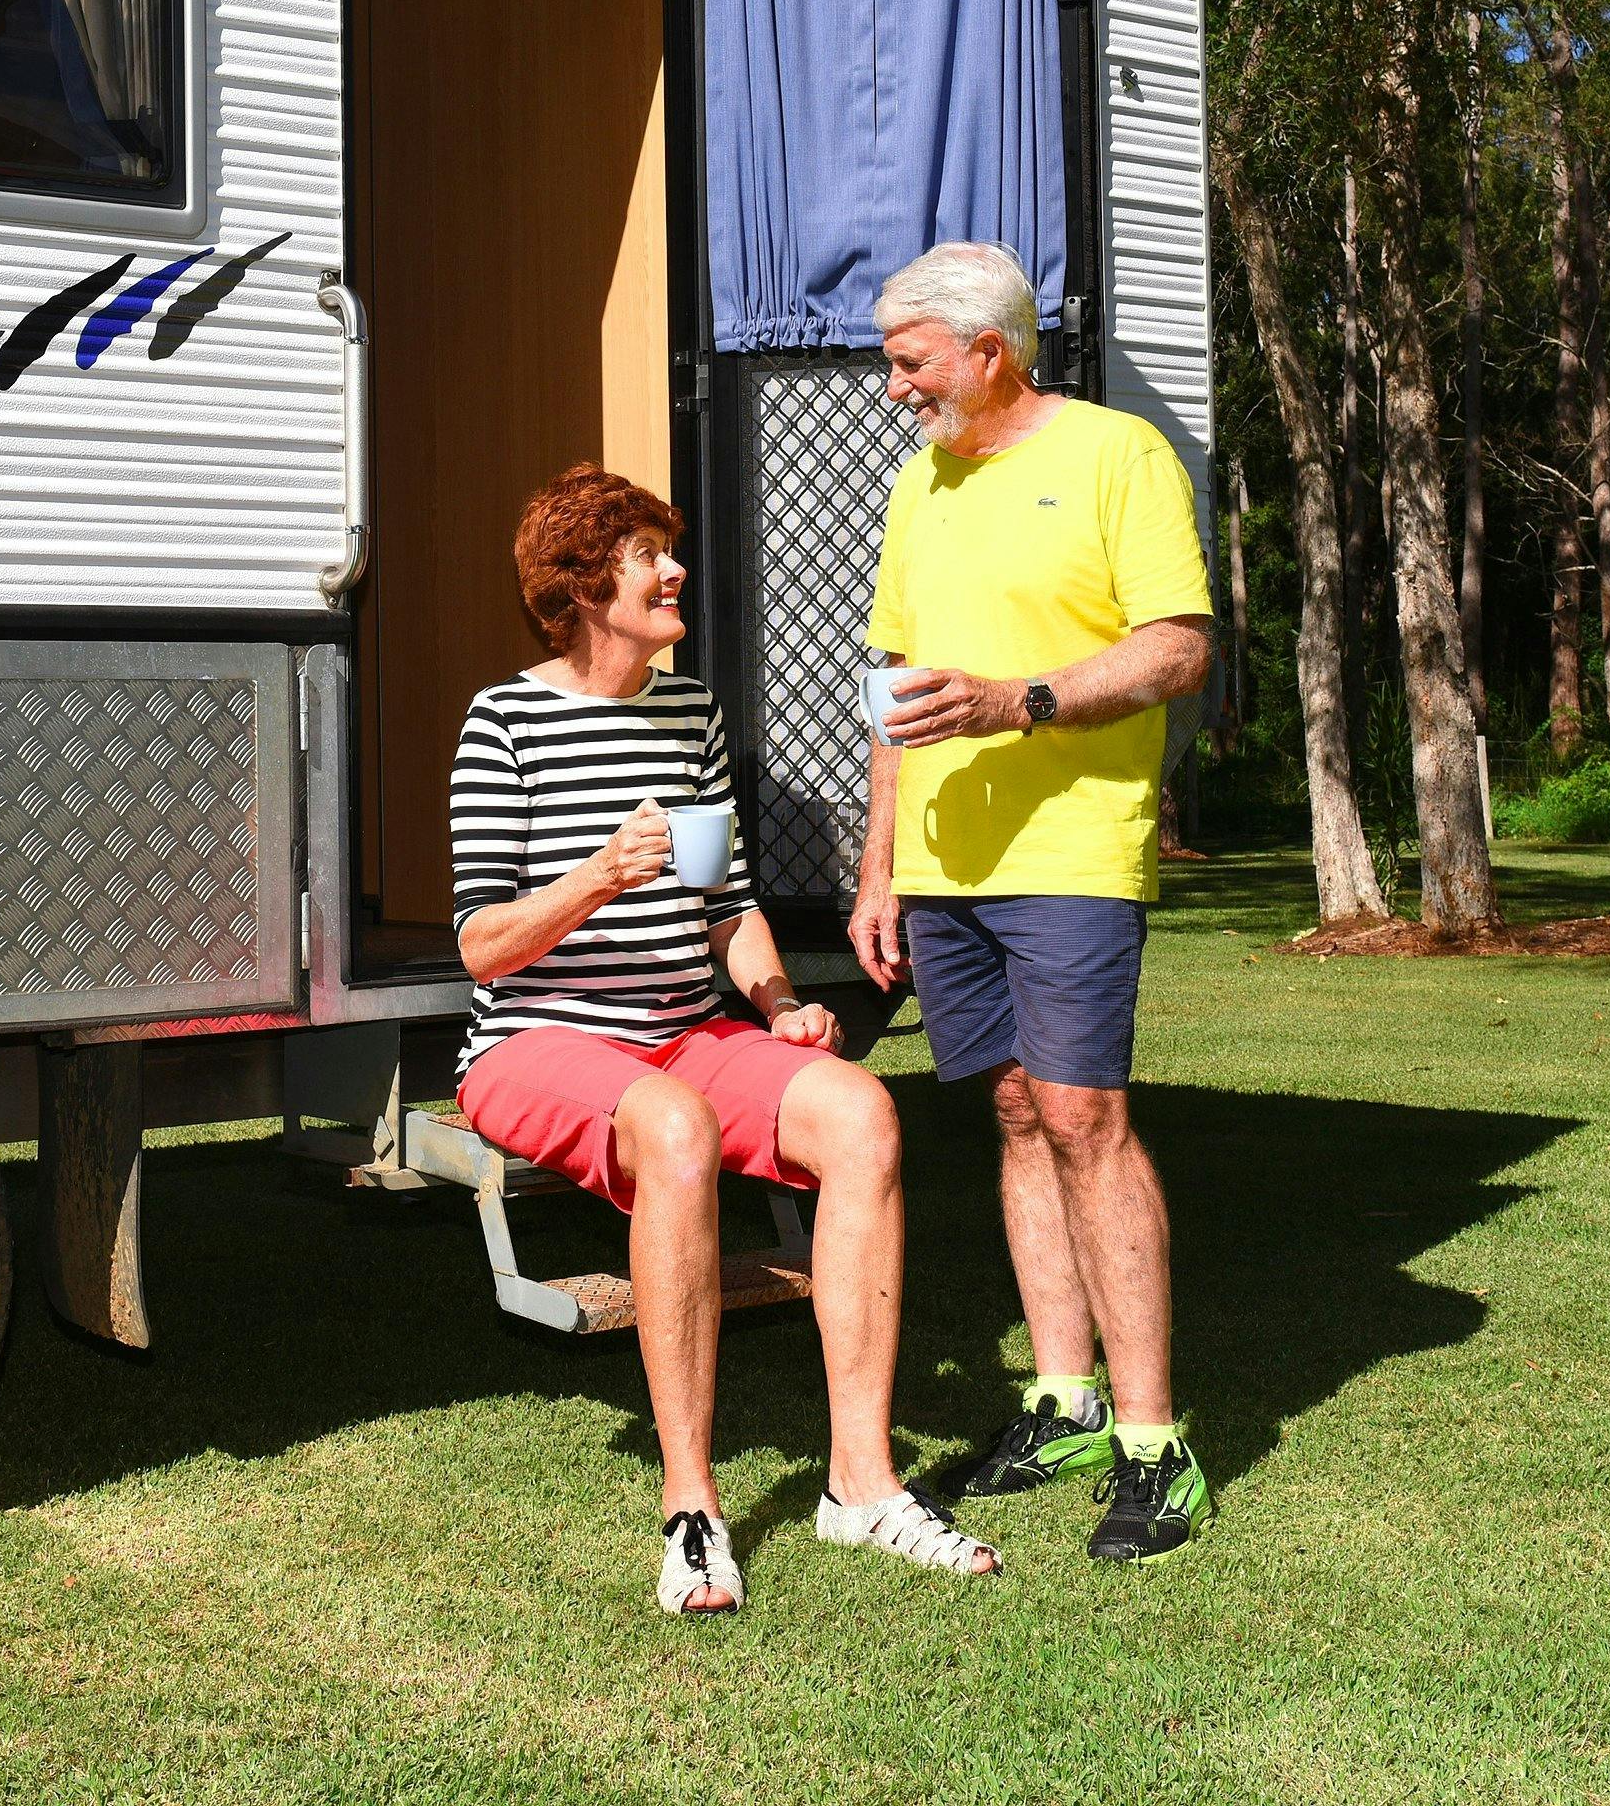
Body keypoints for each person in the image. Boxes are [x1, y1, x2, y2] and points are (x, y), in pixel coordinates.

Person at [454, 464, 999, 1614]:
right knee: (675, 1128)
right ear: (581, 588)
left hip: (684, 1028)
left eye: (668, 548)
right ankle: (693, 1509)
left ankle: (861, 1484)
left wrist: (776, 1003)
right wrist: (599, 876)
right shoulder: (505, 720)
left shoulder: (689, 711)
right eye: (646, 555)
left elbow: (727, 901)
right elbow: (482, 945)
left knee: (860, 1112)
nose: (675, 569)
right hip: (536, 1040)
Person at [846, 242, 1220, 1564]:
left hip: (1068, 850)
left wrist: (1021, 701)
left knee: (1081, 1117)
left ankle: (1153, 1444)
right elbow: (894, 686)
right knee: (1011, 1112)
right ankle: (1063, 1401)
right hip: (943, 860)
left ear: (989, 351)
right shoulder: (919, 482)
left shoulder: (1118, 455)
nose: (894, 388)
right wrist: (879, 864)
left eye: (910, 363)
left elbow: (1177, 647)